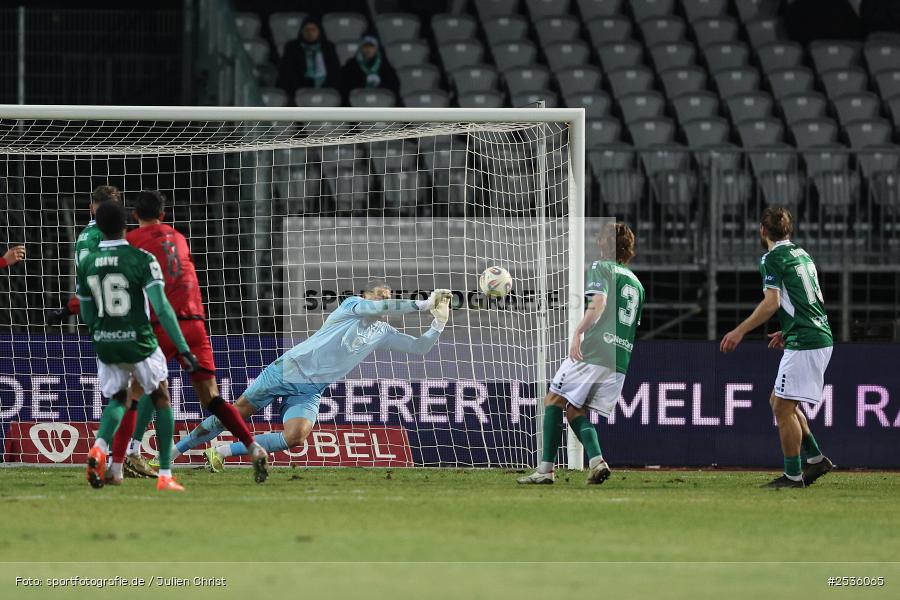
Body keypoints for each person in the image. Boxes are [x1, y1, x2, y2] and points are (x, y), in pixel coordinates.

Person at [169, 280, 451, 471]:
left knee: (296, 437)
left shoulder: (382, 333)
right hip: (288, 369)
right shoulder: (351, 306)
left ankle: (221, 452)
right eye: (379, 295)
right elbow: (377, 308)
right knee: (235, 414)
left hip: (310, 389)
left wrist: (438, 321)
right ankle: (173, 452)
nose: (383, 301)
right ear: (365, 297)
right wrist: (423, 305)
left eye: (387, 298)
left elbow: (419, 348)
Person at [122, 190, 268, 484]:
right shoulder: (178, 237)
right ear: (163, 216)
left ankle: (128, 454)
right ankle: (253, 446)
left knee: (138, 392)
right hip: (196, 323)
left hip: (162, 324)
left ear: (135, 216)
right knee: (211, 398)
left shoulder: (132, 242)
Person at [77, 201, 199, 492]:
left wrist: (99, 333)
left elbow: (86, 311)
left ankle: (99, 448)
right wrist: (182, 347)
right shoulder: (141, 258)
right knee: (161, 396)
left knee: (120, 398)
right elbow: (162, 307)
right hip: (139, 340)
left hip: (106, 341)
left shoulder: (86, 262)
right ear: (126, 225)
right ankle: (165, 474)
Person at [518, 223, 644, 486]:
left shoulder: (602, 267)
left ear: (603, 243)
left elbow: (598, 304)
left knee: (553, 399)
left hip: (596, 350)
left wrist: (578, 332)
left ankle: (545, 470)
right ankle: (597, 462)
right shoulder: (637, 283)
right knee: (575, 410)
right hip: (620, 358)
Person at [721, 207, 834, 489]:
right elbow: (807, 299)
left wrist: (739, 331)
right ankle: (815, 459)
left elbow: (771, 303)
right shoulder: (801, 254)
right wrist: (789, 328)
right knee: (779, 401)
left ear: (762, 230)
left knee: (783, 408)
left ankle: (793, 476)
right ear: (789, 230)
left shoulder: (772, 259)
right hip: (813, 334)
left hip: (807, 342)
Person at [276, 15, 341, 97]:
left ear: (319, 31)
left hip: (326, 91)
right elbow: (287, 73)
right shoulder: (292, 47)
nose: (310, 33)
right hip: (298, 92)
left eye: (313, 29)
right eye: (306, 30)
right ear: (301, 31)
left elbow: (335, 72)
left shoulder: (328, 47)